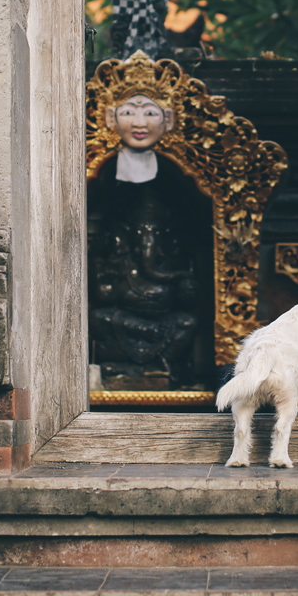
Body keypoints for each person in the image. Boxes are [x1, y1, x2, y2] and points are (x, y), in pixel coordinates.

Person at [88, 93, 212, 390]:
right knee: (97, 319)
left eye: (150, 113)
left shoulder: (172, 252)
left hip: (164, 323)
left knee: (186, 324)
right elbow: (103, 295)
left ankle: (161, 368)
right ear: (110, 118)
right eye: (129, 112)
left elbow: (188, 301)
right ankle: (139, 367)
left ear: (167, 119)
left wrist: (180, 282)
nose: (140, 122)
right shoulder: (115, 248)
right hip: (122, 322)